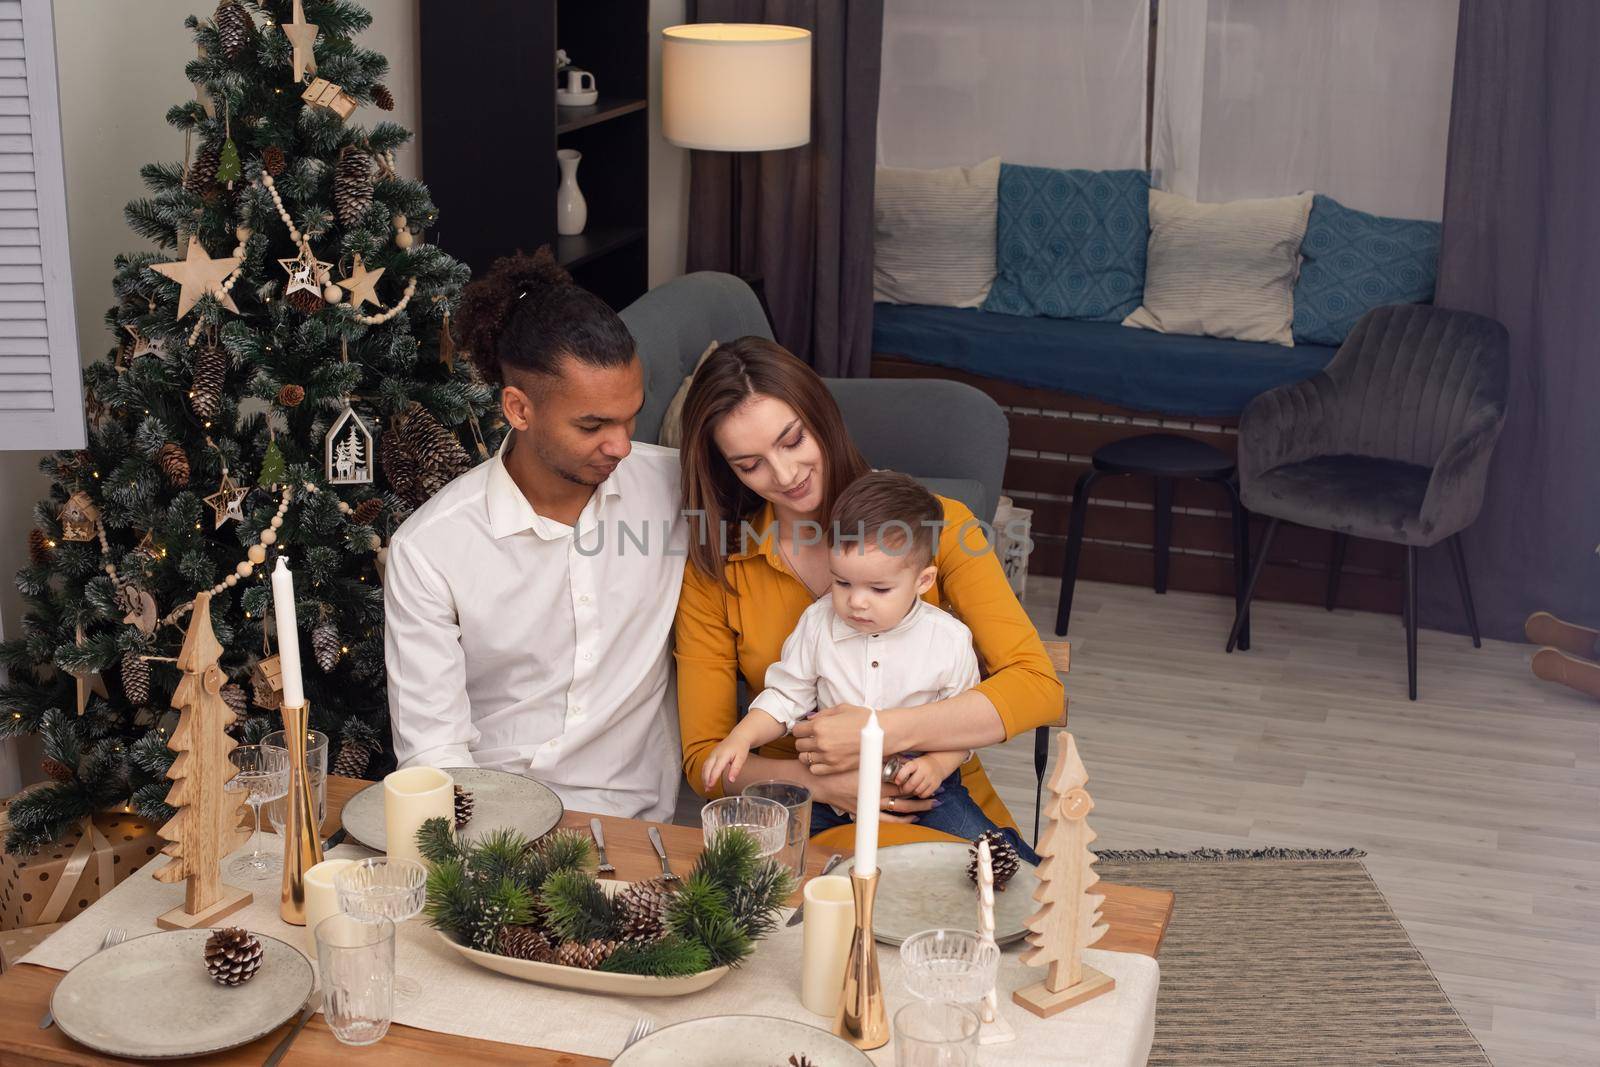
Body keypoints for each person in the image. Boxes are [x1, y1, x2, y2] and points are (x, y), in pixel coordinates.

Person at [674, 336, 1063, 846]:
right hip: (806, 824)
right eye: (751, 465)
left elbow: (1038, 688)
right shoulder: (719, 569)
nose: (785, 474)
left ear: (822, 416)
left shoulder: (941, 527)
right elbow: (706, 759)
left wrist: (882, 730)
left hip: (935, 802)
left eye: (792, 440)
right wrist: (823, 785)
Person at [383, 249, 684, 820]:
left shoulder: (675, 487)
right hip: (494, 823)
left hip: (637, 826)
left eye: (631, 417)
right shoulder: (430, 551)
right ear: (518, 409)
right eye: (592, 425)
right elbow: (434, 752)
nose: (621, 445)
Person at [702, 471, 1041, 860]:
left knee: (988, 855)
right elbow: (784, 695)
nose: (856, 602)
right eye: (842, 583)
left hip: (923, 792)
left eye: (878, 589)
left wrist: (937, 763)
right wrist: (741, 737)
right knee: (761, 854)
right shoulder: (818, 622)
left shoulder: (947, 639)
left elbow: (962, 726)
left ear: (923, 579)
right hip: (828, 789)